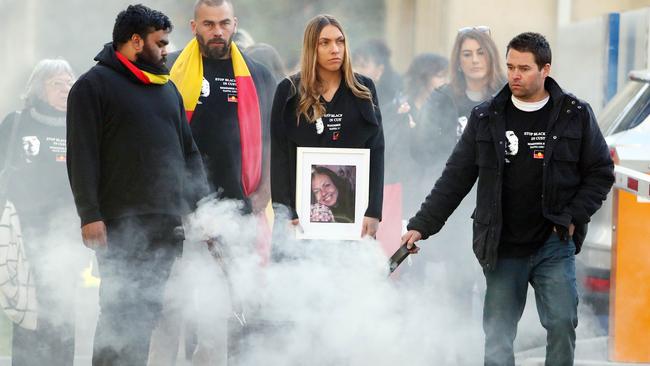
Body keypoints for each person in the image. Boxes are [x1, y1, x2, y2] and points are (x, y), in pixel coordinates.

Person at [402, 32, 615, 366]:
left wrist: (573, 216)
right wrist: (421, 226)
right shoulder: (486, 117)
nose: (515, 75)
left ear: (546, 69)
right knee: (499, 337)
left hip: (554, 240)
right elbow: (455, 177)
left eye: (524, 68)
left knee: (561, 324)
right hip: (501, 244)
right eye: (511, 66)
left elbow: (601, 172)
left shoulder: (575, 113)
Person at [66, 5, 206, 365]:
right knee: (119, 312)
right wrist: (89, 215)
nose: (164, 51)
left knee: (146, 313)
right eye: (159, 43)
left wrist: (199, 207)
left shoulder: (166, 88)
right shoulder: (91, 86)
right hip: (118, 224)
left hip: (165, 221)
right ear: (134, 40)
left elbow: (189, 153)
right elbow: (81, 156)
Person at [270, 14, 384, 239]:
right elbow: (279, 155)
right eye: (325, 42)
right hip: (298, 218)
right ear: (312, 48)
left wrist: (373, 211)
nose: (335, 49)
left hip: (352, 219)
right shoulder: (289, 91)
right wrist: (285, 211)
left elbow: (376, 151)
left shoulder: (363, 89)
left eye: (340, 41)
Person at [0, 59, 82, 366]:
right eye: (56, 83)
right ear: (38, 88)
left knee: (62, 310)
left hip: (68, 235)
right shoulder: (16, 122)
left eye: (69, 82)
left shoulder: (82, 124)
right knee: (28, 310)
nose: (65, 89)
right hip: (23, 233)